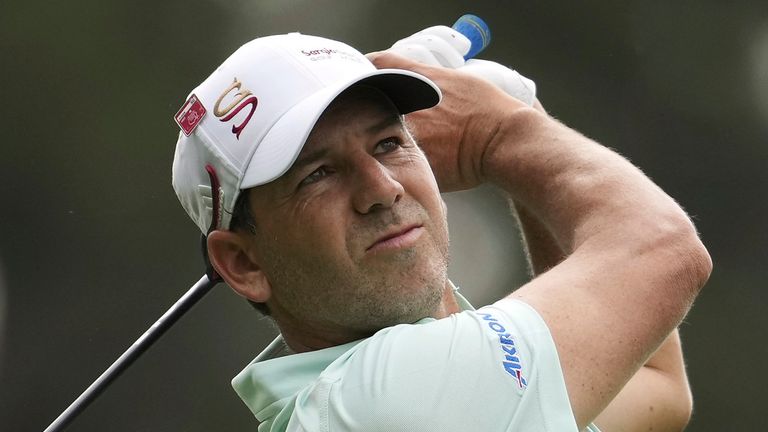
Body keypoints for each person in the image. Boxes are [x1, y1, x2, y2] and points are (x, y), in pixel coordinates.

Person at [171, 32, 711, 432]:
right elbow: (663, 248)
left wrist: (523, 120)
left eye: (387, 143)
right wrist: (501, 134)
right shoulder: (381, 400)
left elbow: (654, 389)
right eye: (318, 174)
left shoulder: (343, 404)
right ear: (244, 264)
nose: (381, 189)